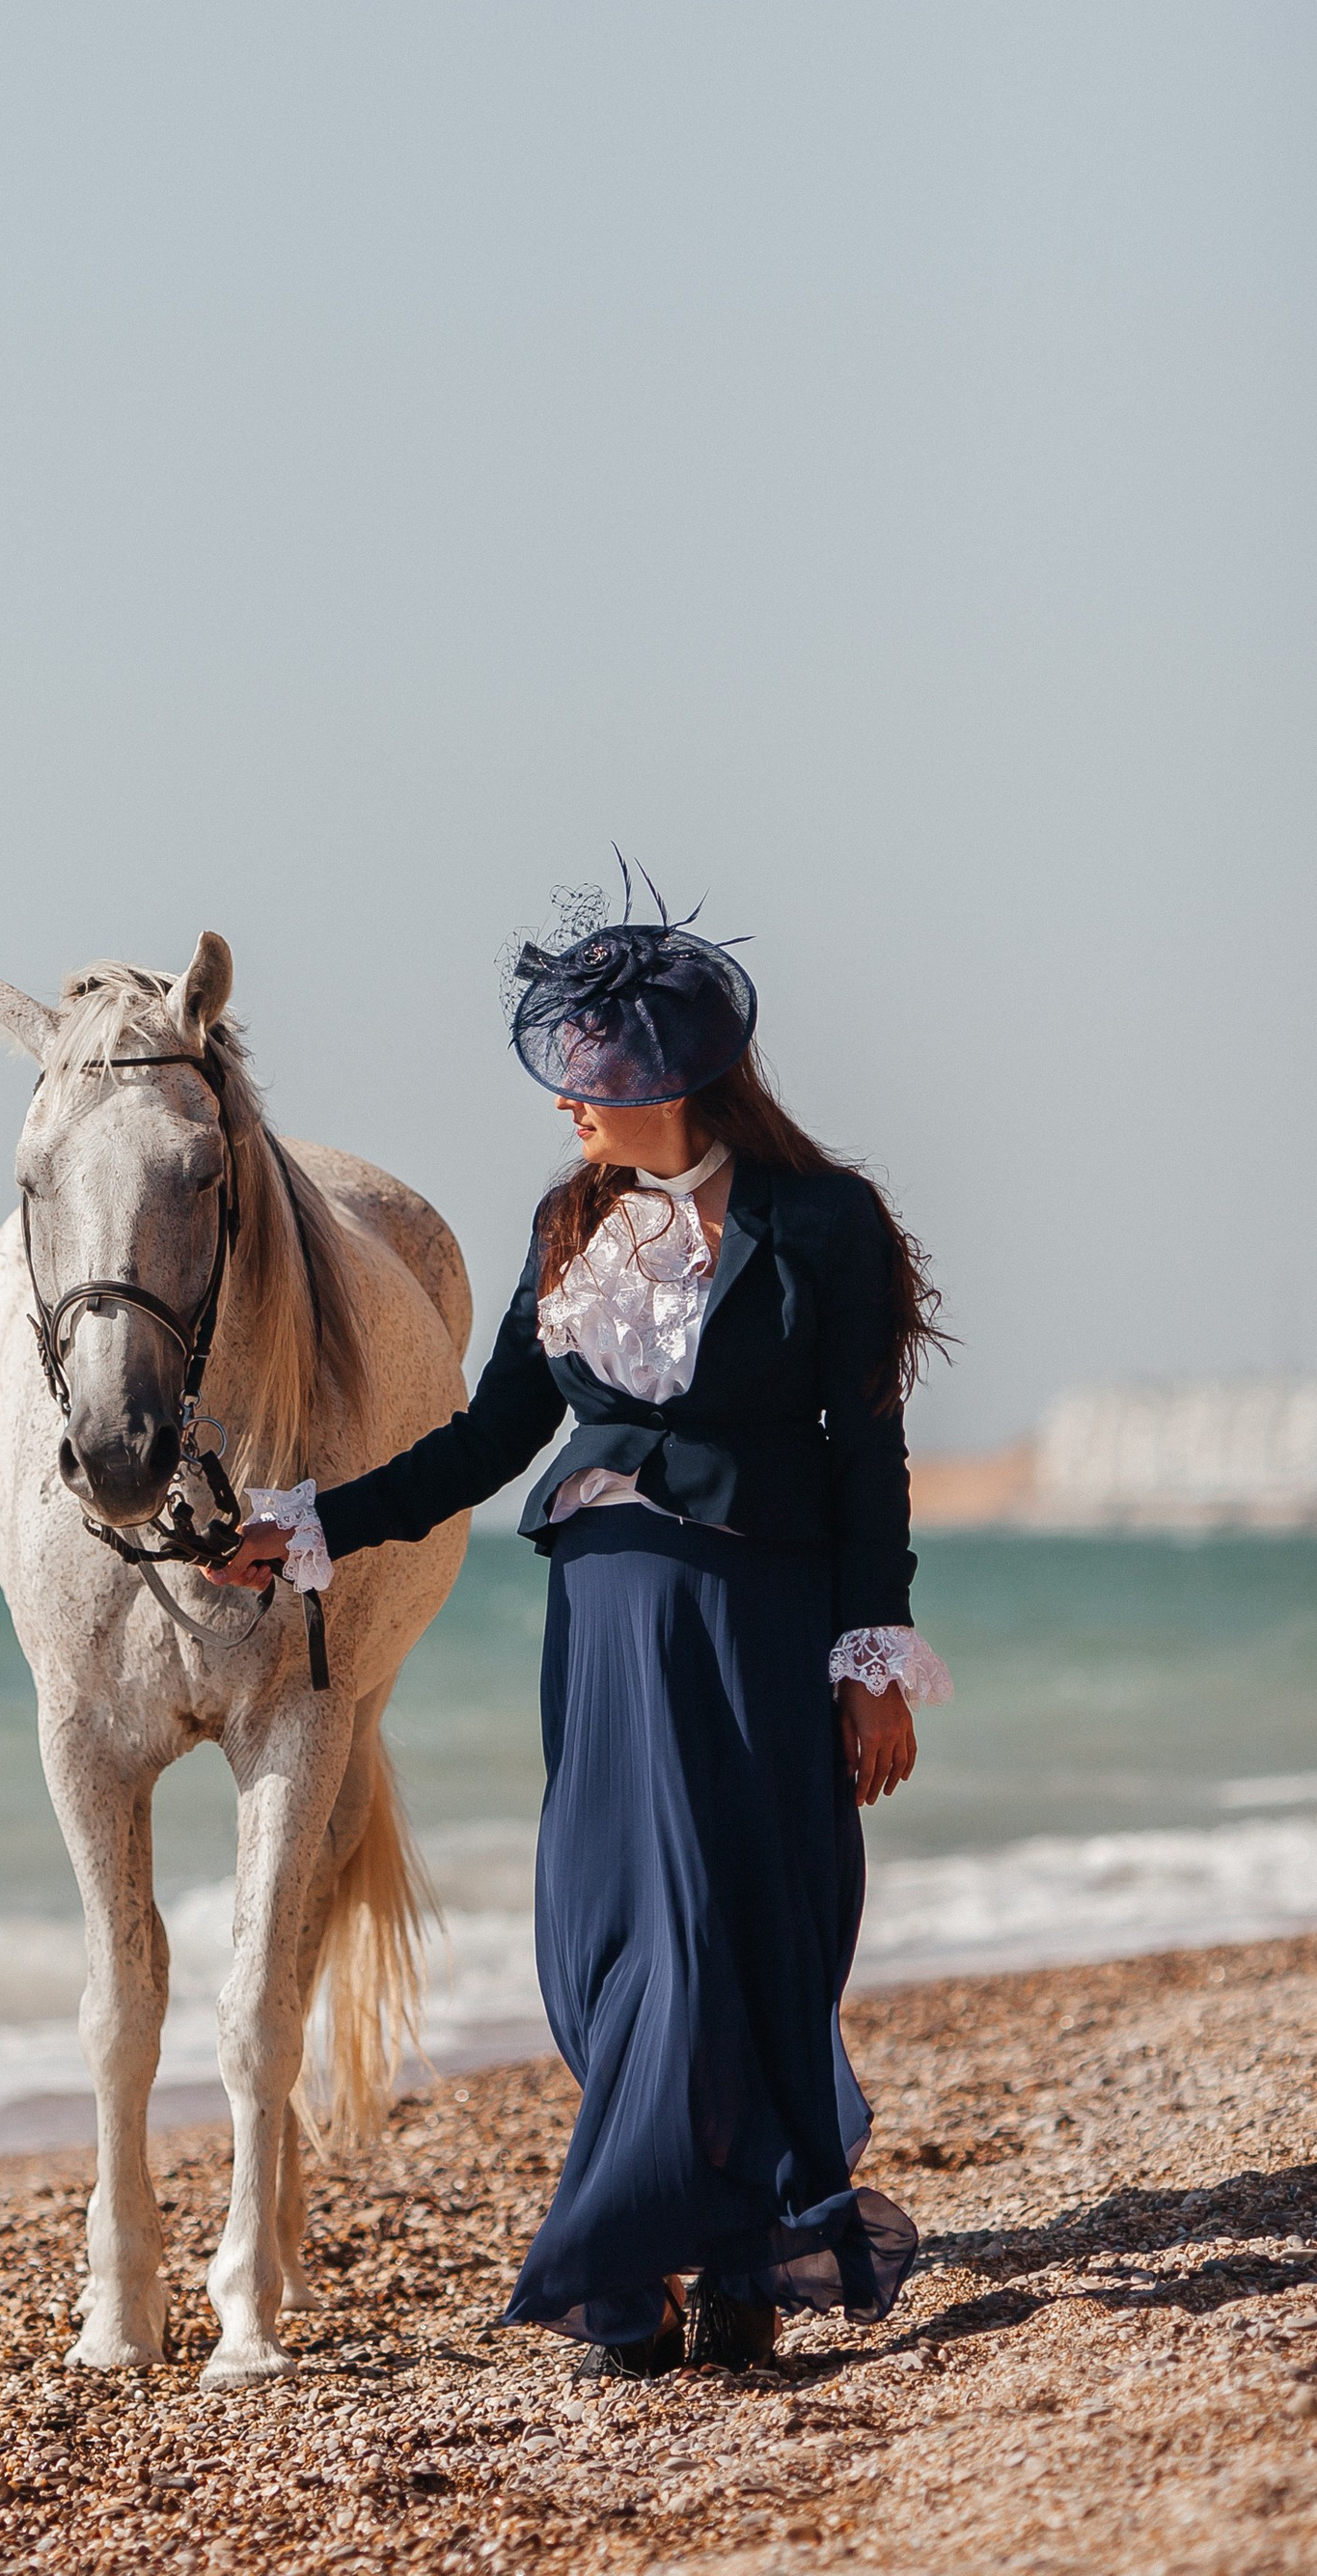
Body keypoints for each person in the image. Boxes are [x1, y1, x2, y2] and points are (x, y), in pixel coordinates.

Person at [205, 881, 950, 2376]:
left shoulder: (824, 1223)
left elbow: (868, 1454)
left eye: (594, 1074)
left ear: (669, 1077)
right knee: (617, 1937)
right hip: (605, 1628)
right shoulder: (569, 1227)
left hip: (757, 1620)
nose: (569, 1102)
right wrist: (319, 1524)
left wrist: (874, 1660)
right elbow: (488, 1443)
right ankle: (681, 2253)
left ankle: (696, 2259)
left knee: (747, 1928)